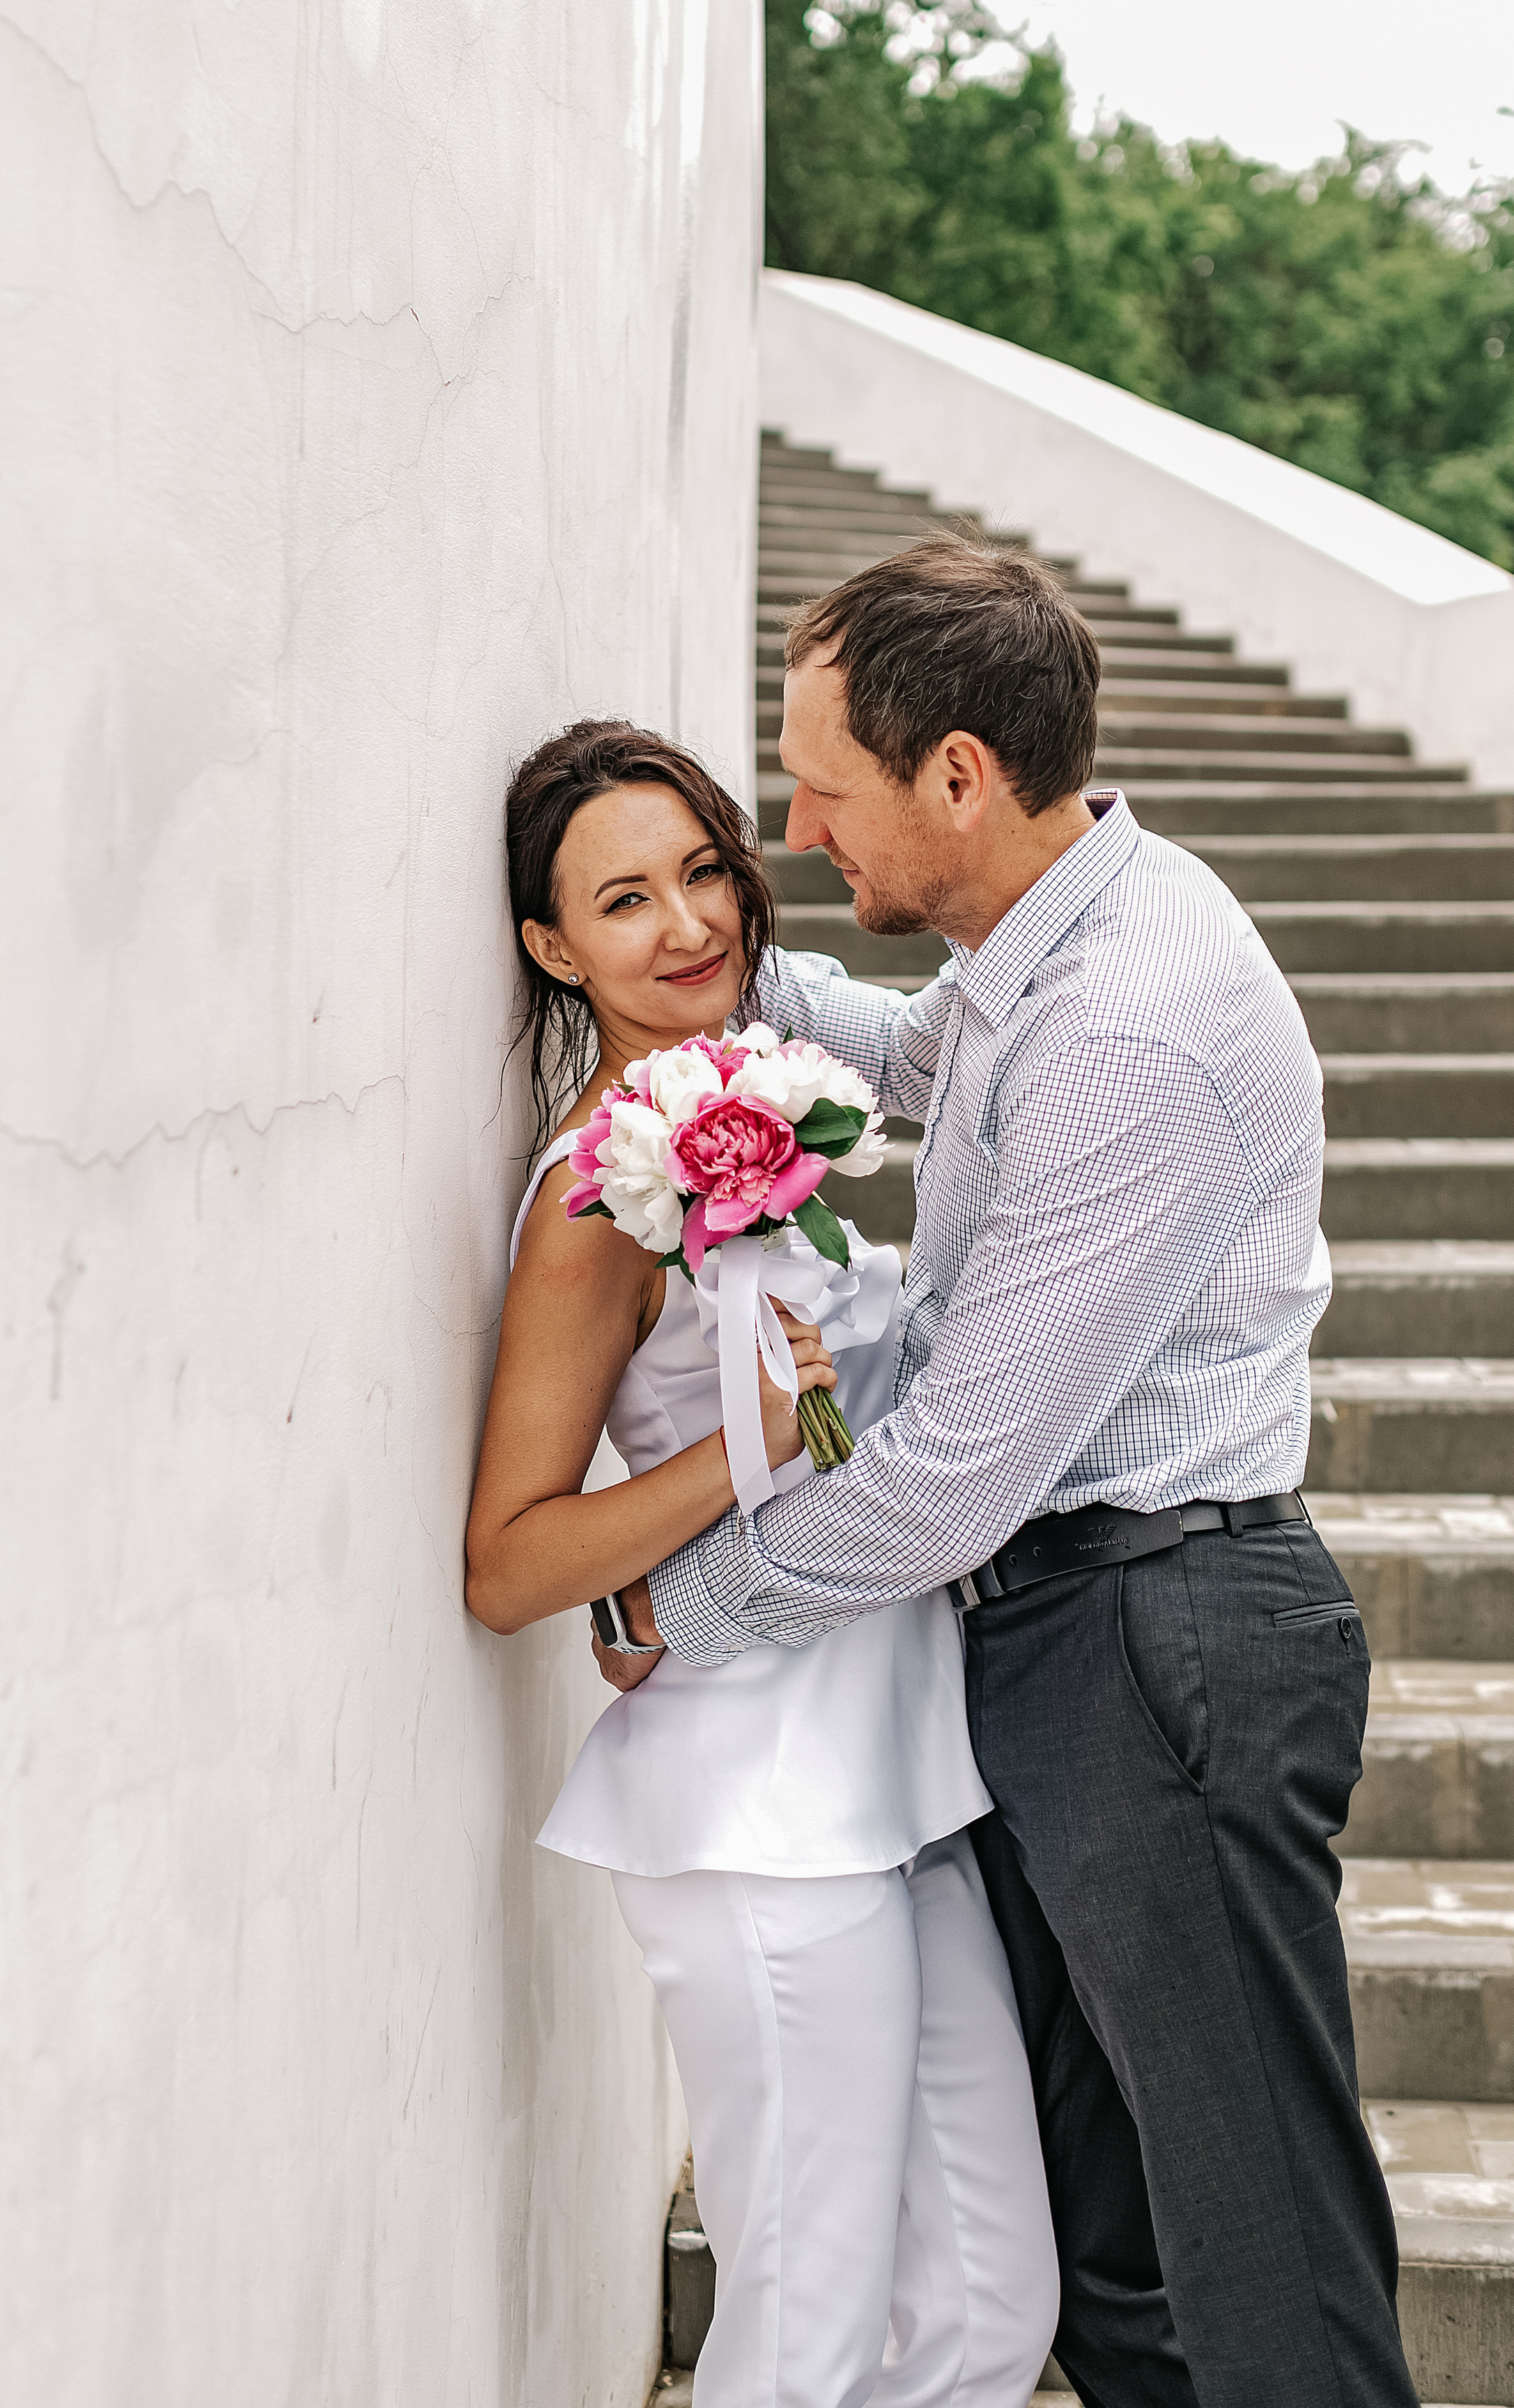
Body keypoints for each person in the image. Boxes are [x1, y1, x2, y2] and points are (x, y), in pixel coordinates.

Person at [606, 539, 1423, 2408]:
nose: (797, 826)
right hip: (1085, 1634)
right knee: (1113, 2250)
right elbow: (927, 1064)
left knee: (1257, 2253)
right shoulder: (1045, 937)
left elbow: (949, 1471)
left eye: (823, 784)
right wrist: (749, 984)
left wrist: (686, 1600)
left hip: (1163, 1647)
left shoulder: (1134, 1019)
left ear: (959, 773)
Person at [463, 720, 1058, 2408]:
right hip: (752, 1818)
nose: (687, 925)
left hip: (898, 1785)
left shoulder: (767, 1123)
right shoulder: (598, 1196)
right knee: (797, 2336)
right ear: (550, 946)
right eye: (623, 899)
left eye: (704, 871)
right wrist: (751, 1454)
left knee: (989, 2312)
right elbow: (509, 1562)